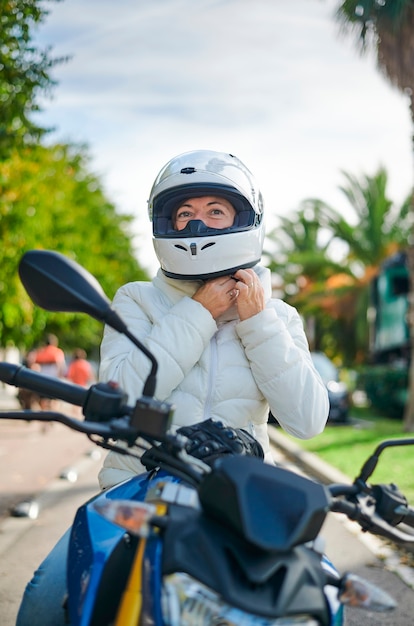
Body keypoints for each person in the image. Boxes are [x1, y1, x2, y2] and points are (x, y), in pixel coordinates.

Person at [16, 149, 329, 626]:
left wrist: (257, 323)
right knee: (44, 601)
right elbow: (122, 390)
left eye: (214, 212)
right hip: (135, 492)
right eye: (183, 215)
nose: (196, 227)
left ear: (244, 218)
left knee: (317, 598)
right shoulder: (136, 300)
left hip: (236, 502)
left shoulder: (278, 316)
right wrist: (199, 312)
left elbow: (308, 420)